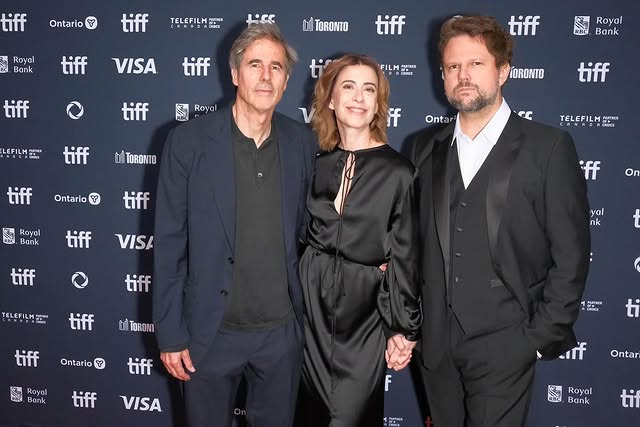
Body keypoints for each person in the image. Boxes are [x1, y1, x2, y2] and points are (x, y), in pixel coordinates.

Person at [410, 15, 590, 426]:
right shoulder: (423, 148)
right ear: (442, 76)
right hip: (436, 348)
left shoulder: (548, 147)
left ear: (503, 70)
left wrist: (536, 340)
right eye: (453, 66)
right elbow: (411, 245)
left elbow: (572, 255)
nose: (463, 75)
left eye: (476, 63)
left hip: (506, 343)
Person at [152, 23, 316, 427]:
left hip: (281, 335)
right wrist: (170, 333)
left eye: (276, 67)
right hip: (209, 333)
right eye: (255, 64)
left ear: (286, 80)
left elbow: (317, 229)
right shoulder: (187, 141)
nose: (265, 76)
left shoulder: (304, 143)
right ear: (235, 73)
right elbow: (169, 243)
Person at [295, 54, 422, 427]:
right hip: (308, 309)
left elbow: (406, 257)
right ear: (330, 99)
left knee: (348, 416)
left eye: (369, 89)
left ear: (378, 103)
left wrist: (404, 328)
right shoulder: (313, 163)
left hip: (363, 313)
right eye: (348, 86)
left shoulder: (399, 172)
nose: (359, 97)